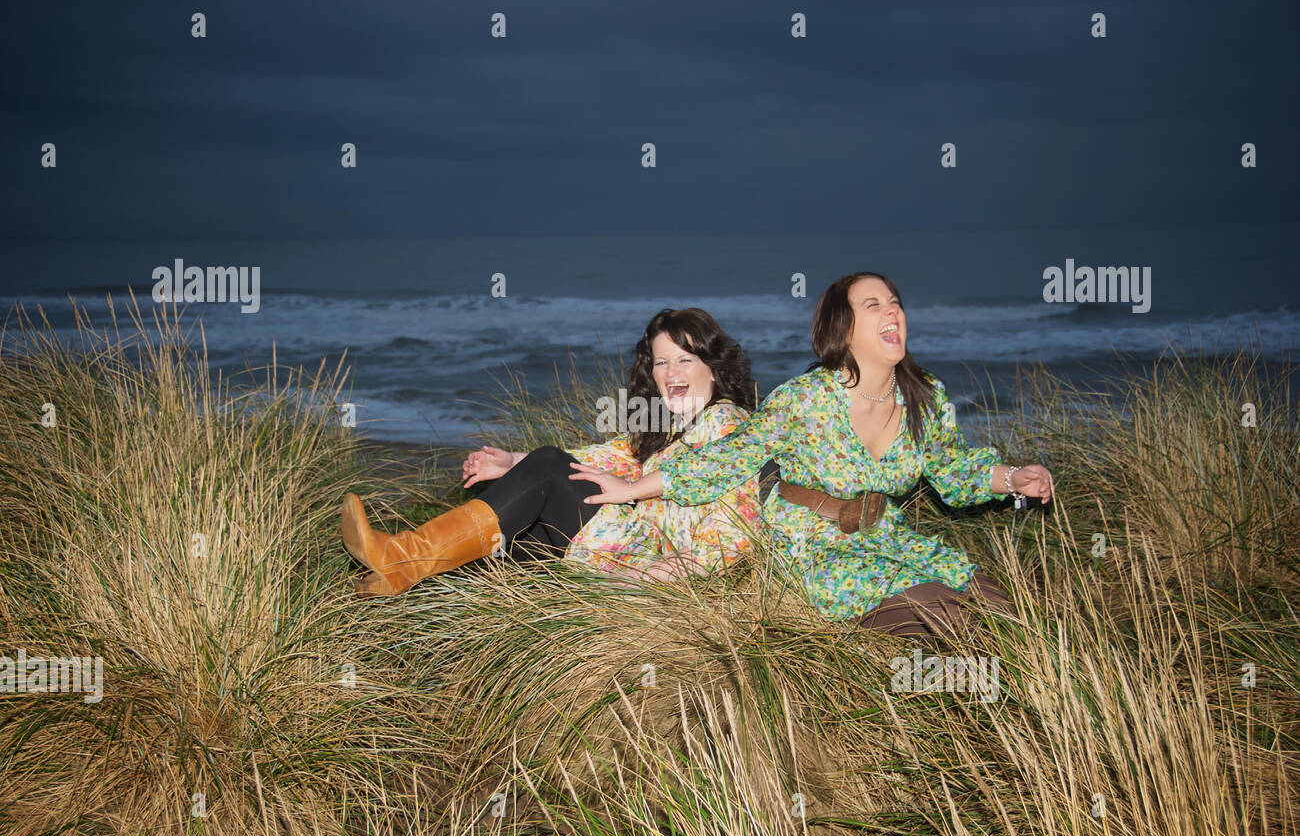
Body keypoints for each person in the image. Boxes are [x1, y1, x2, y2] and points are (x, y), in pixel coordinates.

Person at [571, 272, 1055, 638]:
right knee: (945, 614)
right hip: (815, 545)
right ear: (844, 330)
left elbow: (953, 469)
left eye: (896, 303)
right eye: (874, 305)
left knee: (1002, 611)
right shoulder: (804, 399)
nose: (893, 312)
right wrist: (632, 488)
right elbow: (729, 459)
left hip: (887, 536)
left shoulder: (923, 394)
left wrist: (1014, 478)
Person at [341, 308, 762, 596]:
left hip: (652, 565)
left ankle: (403, 557)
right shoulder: (667, 425)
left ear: (714, 365)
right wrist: (511, 462)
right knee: (509, 544)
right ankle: (398, 576)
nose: (671, 374)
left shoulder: (726, 423)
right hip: (626, 551)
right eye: (661, 362)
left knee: (546, 468)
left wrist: (655, 577)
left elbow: (737, 527)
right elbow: (605, 456)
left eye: (685, 360)